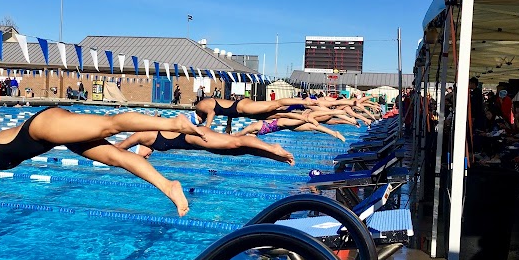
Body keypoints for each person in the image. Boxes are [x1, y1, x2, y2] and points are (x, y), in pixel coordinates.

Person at [0, 108, 209, 225]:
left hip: (44, 127)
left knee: (109, 126)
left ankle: (172, 122)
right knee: (116, 156)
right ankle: (168, 186)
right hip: (50, 137)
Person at [117, 127, 295, 164]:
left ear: (137, 147)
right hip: (196, 142)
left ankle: (273, 147)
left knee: (235, 142)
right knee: (237, 152)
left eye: (142, 155)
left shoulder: (141, 135)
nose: (147, 156)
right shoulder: (148, 142)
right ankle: (275, 156)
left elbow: (120, 147)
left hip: (193, 137)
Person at [194, 96, 317, 130]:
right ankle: (305, 117)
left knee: (276, 103)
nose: (200, 122)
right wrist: (228, 125)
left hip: (243, 107)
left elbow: (211, 112)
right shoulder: (203, 108)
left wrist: (206, 128)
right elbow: (226, 110)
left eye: (197, 121)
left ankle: (303, 101)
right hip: (244, 112)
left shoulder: (200, 106)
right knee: (278, 114)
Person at [231, 116, 347, 142]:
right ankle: (334, 133)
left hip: (281, 122)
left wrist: (227, 137)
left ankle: (309, 116)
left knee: (307, 120)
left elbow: (238, 135)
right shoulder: (254, 133)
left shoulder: (251, 128)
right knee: (311, 127)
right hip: (285, 127)